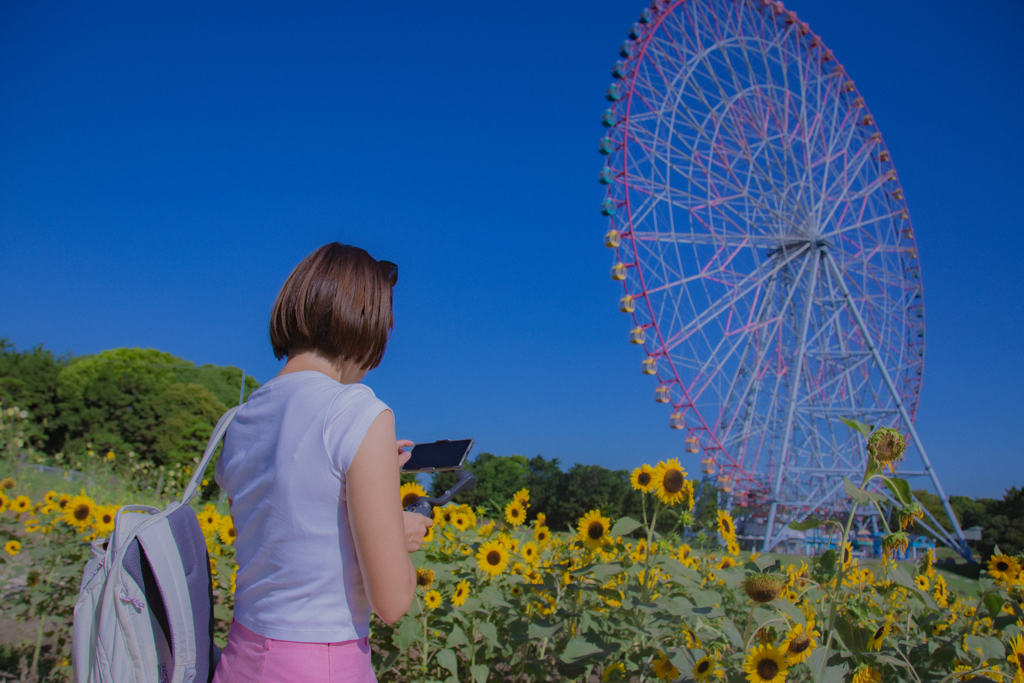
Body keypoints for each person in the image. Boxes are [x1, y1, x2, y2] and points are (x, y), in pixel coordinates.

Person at [212, 243, 432, 683]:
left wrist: (371, 466)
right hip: (321, 664)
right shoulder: (358, 410)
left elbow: (287, 518)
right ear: (367, 324)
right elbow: (392, 603)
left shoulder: (237, 419)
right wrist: (396, 527)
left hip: (239, 656)